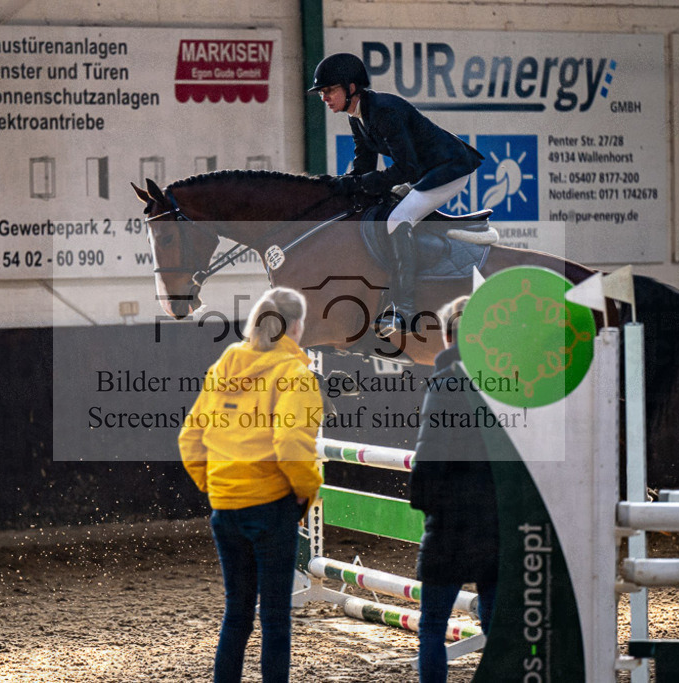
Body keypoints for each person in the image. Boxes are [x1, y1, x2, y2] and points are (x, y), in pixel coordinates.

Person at [178, 286, 323, 683]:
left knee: (236, 613)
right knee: (275, 617)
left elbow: (190, 438)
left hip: (226, 509)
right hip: (272, 505)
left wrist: (215, 486)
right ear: (296, 325)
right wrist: (308, 489)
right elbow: (291, 442)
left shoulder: (224, 365)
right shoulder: (295, 374)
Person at [308, 53, 484, 338]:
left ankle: (405, 309)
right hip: (423, 172)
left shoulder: (384, 111)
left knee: (397, 219)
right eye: (322, 93)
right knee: (379, 206)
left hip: (448, 170)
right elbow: (364, 166)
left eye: (329, 90)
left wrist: (365, 182)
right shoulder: (357, 117)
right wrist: (340, 185)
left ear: (351, 88)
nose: (324, 98)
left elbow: (406, 168)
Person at [408, 295, 499, 683]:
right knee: (498, 629)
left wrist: (425, 504)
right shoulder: (506, 381)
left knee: (431, 628)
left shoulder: (444, 383)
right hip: (497, 520)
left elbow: (430, 454)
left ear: (447, 337)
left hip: (450, 524)